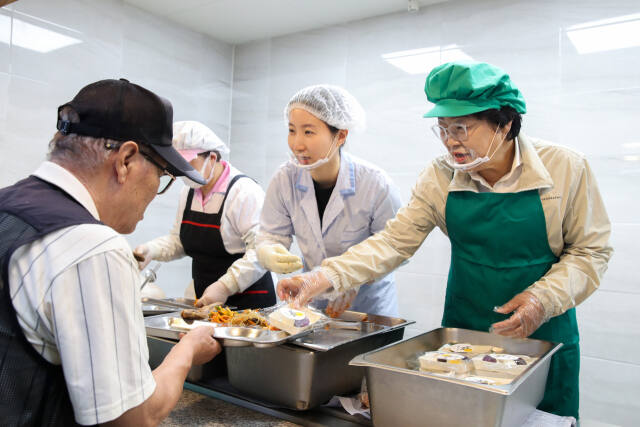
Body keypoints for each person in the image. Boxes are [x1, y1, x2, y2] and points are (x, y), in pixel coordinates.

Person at [277, 62, 613, 418]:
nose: (450, 140)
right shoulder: (440, 176)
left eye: (461, 128)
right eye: (442, 128)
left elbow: (591, 252)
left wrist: (542, 300)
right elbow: (393, 242)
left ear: (506, 124)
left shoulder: (565, 168)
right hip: (464, 331)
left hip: (544, 331)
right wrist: (324, 277)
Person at [0, 79, 221, 426]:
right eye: (163, 174)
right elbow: (134, 418)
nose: (155, 195)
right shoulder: (93, 248)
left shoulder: (6, 206)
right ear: (126, 160)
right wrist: (187, 350)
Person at [256, 84, 402, 316]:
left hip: (367, 309)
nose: (297, 144)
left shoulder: (375, 183)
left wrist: (352, 279)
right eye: (292, 130)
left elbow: (395, 248)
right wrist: (268, 249)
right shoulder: (285, 179)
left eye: (308, 132)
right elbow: (271, 235)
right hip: (313, 304)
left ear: (341, 135)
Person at [134, 121, 275, 308]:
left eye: (189, 162)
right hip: (207, 301)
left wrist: (225, 286)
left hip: (250, 303)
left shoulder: (244, 192)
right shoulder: (189, 192)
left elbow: (260, 253)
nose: (183, 170)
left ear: (212, 157)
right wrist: (151, 250)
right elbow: (180, 240)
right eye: (178, 164)